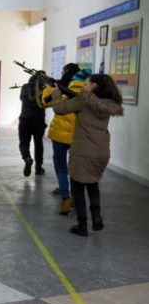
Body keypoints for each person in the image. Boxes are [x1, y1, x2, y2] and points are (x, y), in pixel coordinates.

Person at [51, 74, 123, 236]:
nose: (84, 85)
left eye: (86, 83)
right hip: (101, 151)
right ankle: (96, 216)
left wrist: (56, 93)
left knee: (77, 187)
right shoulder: (109, 104)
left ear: (93, 86)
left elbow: (59, 109)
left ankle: (82, 225)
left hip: (83, 150)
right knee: (93, 183)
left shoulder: (83, 100)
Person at [42, 64, 88, 214]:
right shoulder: (88, 93)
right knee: (75, 171)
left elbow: (45, 102)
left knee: (62, 170)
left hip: (59, 136)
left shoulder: (62, 89)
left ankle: (65, 201)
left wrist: (50, 88)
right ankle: (75, 198)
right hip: (78, 137)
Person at [18, 73, 47, 176]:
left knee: (24, 143)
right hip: (38, 120)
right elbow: (46, 103)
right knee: (38, 144)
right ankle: (38, 168)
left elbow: (21, 98)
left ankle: (27, 158)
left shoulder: (25, 87)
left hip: (25, 119)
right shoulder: (44, 89)